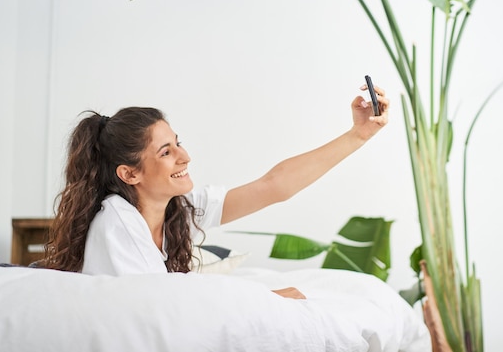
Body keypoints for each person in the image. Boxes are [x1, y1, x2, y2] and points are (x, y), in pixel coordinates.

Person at [43, 83, 389, 299]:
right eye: (166, 152)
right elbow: (165, 306)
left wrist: (358, 135)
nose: (185, 156)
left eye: (178, 144)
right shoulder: (118, 222)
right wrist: (262, 300)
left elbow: (274, 186)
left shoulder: (179, 208)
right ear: (129, 173)